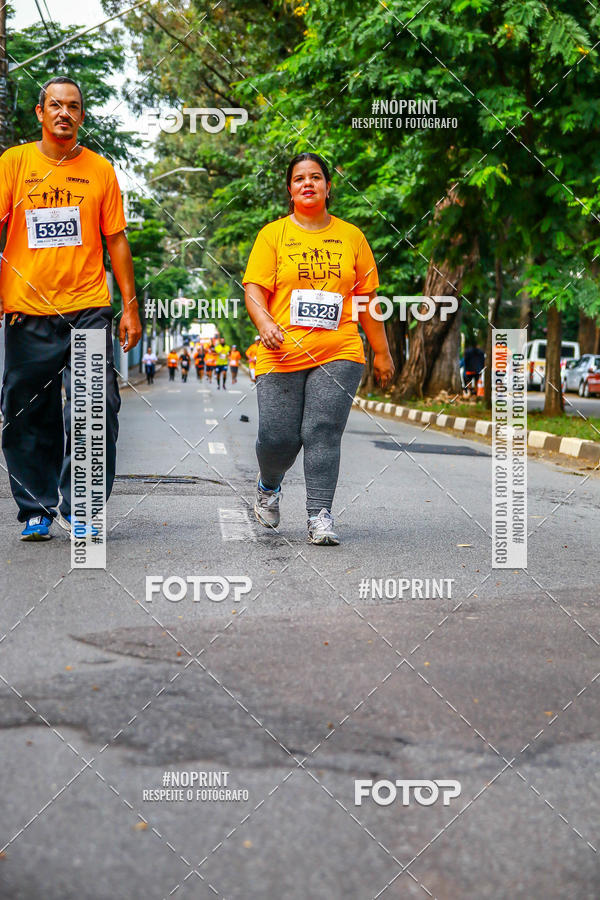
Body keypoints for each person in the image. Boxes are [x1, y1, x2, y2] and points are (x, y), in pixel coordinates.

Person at [0, 76, 142, 541]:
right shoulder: (14, 163)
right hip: (26, 310)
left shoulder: (100, 170)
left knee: (93, 407)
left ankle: (82, 506)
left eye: (74, 106)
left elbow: (116, 240)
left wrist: (130, 305)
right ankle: (36, 508)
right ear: (40, 113)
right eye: (55, 105)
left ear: (83, 116)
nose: (65, 112)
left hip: (88, 308)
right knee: (27, 411)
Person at [244, 151, 394, 545]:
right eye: (299, 179)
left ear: (328, 187)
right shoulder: (273, 235)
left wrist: (381, 351)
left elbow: (367, 299)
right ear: (290, 190)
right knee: (278, 437)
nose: (307, 183)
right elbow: (255, 288)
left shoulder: (352, 237)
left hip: (339, 349)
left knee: (322, 431)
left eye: (315, 177)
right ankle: (269, 484)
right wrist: (264, 323)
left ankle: (320, 515)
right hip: (281, 352)